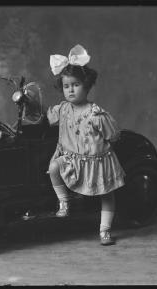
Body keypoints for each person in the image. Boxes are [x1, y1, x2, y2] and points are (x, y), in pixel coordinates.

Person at [47, 44, 125, 246]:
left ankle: (105, 230)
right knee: (54, 167)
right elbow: (46, 117)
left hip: (97, 161)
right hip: (73, 160)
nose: (71, 89)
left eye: (76, 84)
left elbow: (113, 135)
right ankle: (64, 201)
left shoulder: (95, 113)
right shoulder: (63, 109)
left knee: (107, 194)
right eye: (66, 86)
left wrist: (100, 148)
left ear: (87, 86)